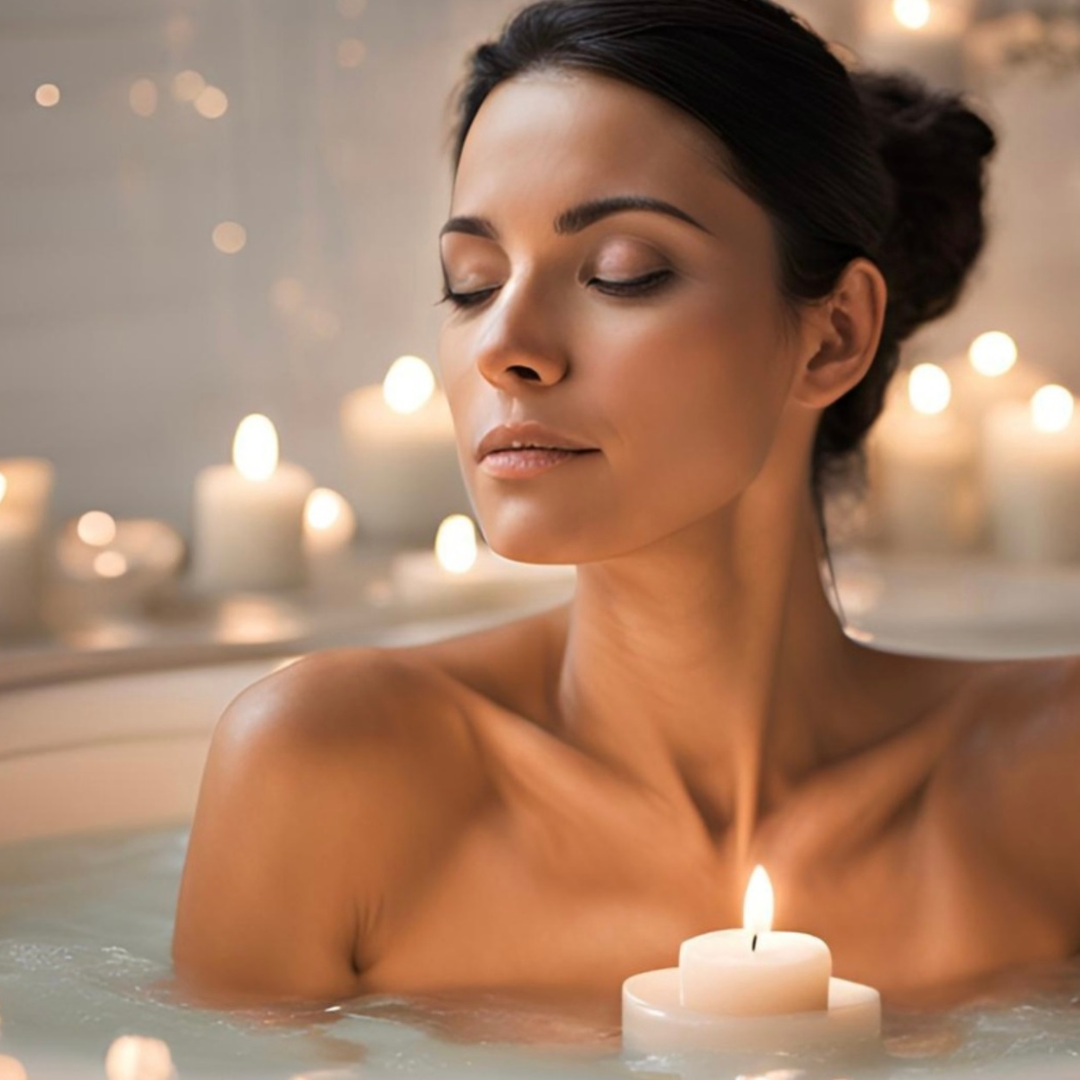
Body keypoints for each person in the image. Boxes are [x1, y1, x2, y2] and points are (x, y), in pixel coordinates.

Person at [171, 0, 1080, 1020]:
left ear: (833, 336)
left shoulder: (1056, 776)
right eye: (470, 284)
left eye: (621, 273)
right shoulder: (325, 772)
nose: (505, 345)